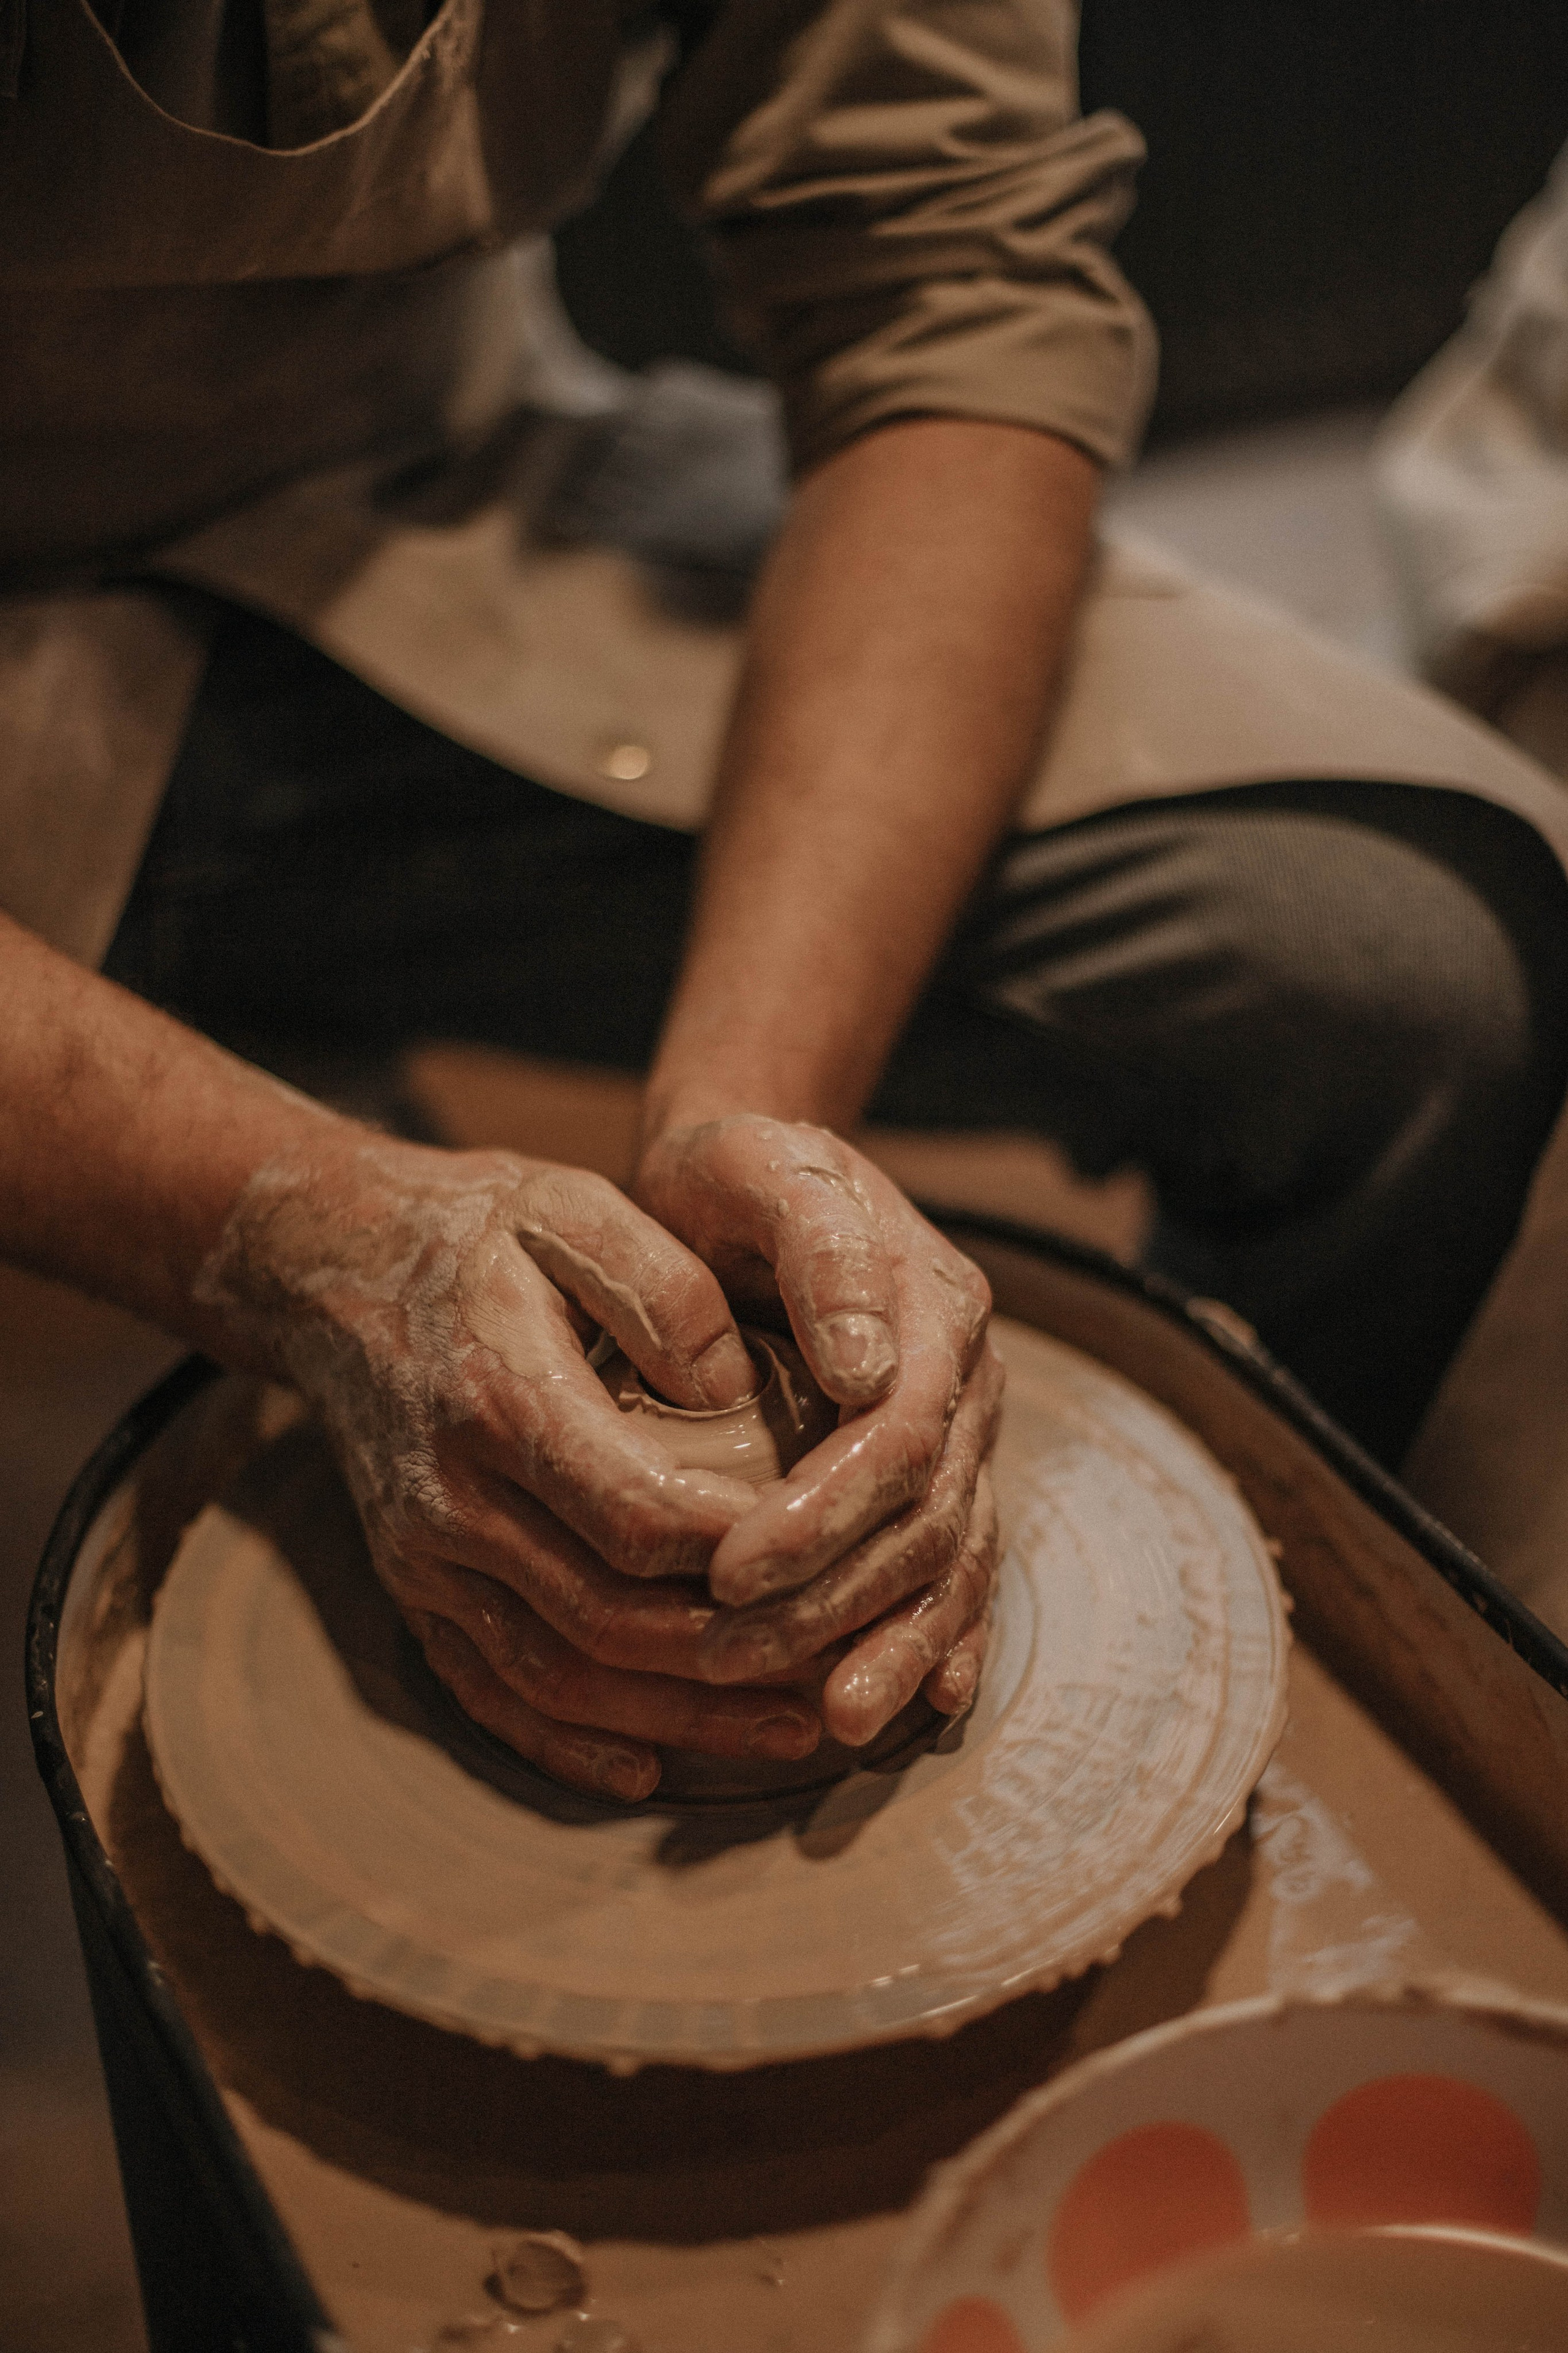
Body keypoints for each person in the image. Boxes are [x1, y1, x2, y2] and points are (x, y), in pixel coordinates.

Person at [5, 0, 1568, 1803]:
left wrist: (750, 1109)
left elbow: (946, 293)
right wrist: (295, 1226)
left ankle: (1205, 1739)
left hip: (378, 502)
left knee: (1412, 956)